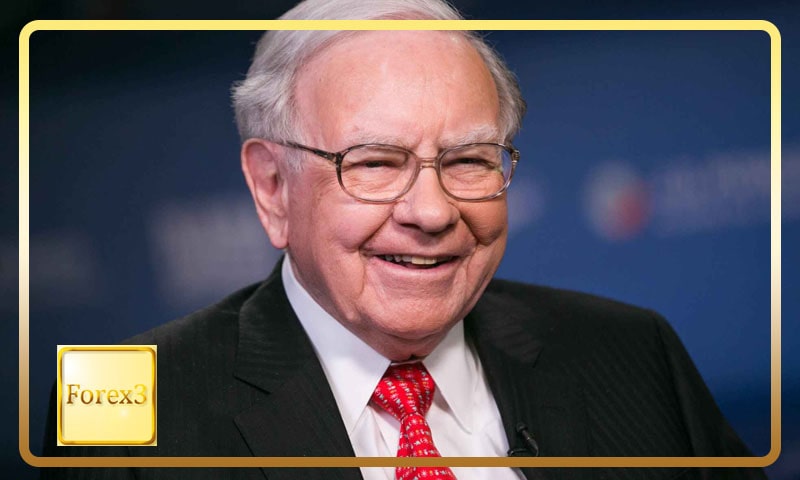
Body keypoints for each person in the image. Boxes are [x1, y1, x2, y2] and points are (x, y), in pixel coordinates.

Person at [42, 0, 766, 479]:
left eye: (469, 160)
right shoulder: (116, 405)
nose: (432, 211)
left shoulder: (632, 353)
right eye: (375, 164)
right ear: (272, 187)